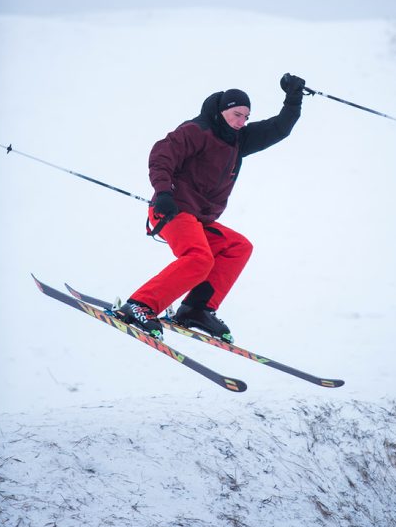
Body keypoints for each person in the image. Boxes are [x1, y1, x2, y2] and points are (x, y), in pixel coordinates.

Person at [119, 73, 306, 342]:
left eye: (246, 117)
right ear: (223, 110)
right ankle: (141, 305)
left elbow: (279, 128)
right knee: (199, 258)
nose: (241, 122)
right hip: (171, 209)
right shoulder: (197, 131)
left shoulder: (238, 140)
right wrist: (162, 192)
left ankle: (196, 309)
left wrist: (294, 98)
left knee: (237, 247)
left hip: (198, 220)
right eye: (237, 114)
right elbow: (161, 155)